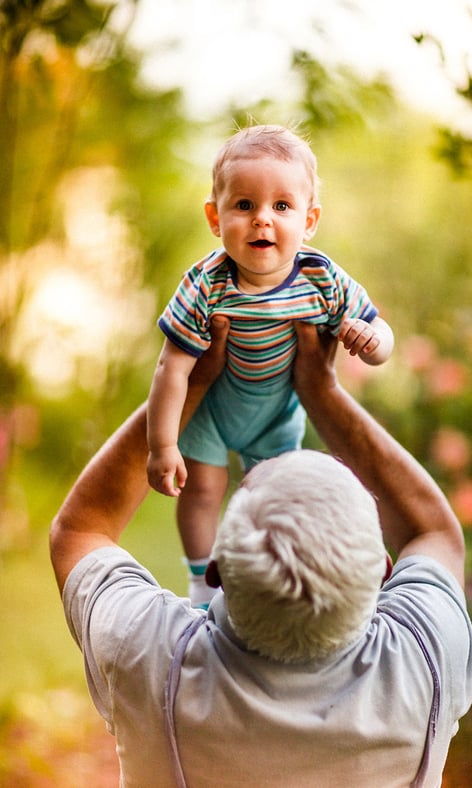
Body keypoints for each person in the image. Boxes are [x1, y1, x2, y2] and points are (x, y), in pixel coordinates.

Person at [50, 319, 472, 788]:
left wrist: (188, 385)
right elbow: (433, 530)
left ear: (215, 571)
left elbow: (81, 530)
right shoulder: (426, 661)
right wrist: (322, 393)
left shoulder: (150, 658)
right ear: (383, 573)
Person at [146, 124, 394, 606]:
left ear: (309, 220)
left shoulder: (321, 278)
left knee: (271, 501)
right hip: (214, 412)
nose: (262, 219)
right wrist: (162, 444)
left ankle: (258, 585)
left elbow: (380, 333)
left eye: (281, 206)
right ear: (215, 218)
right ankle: (200, 583)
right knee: (202, 492)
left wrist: (371, 341)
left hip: (278, 415)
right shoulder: (205, 283)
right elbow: (170, 368)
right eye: (244, 205)